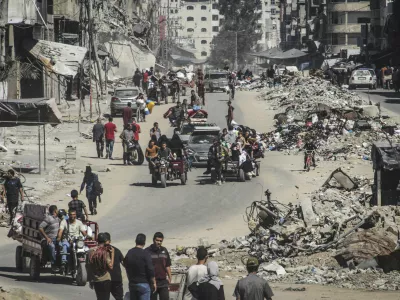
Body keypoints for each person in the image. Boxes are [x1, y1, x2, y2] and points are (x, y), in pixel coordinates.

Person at [125, 234, 155, 300]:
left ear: (135, 241)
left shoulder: (129, 253)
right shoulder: (145, 253)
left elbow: (126, 266)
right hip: (144, 284)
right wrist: (154, 282)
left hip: (132, 284)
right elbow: (150, 269)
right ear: (144, 242)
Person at [87, 232, 115, 300]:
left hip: (96, 280)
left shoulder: (90, 251)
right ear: (105, 241)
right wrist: (113, 253)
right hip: (105, 279)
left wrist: (90, 280)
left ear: (97, 240)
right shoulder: (105, 251)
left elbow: (88, 266)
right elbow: (111, 266)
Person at [146, 232, 172, 300]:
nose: (159, 242)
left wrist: (170, 277)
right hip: (152, 282)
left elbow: (167, 265)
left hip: (163, 281)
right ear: (153, 240)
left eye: (161, 241)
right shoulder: (147, 251)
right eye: (157, 240)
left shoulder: (164, 250)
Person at [39, 205, 59, 271]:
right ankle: (53, 264)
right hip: (48, 239)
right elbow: (40, 227)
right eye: (57, 210)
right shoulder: (48, 218)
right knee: (52, 247)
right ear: (55, 211)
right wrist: (47, 238)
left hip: (57, 239)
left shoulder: (58, 218)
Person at [104, 233, 124, 300]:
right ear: (110, 241)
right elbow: (124, 263)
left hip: (105, 279)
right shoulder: (116, 250)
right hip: (116, 278)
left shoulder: (99, 251)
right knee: (119, 297)